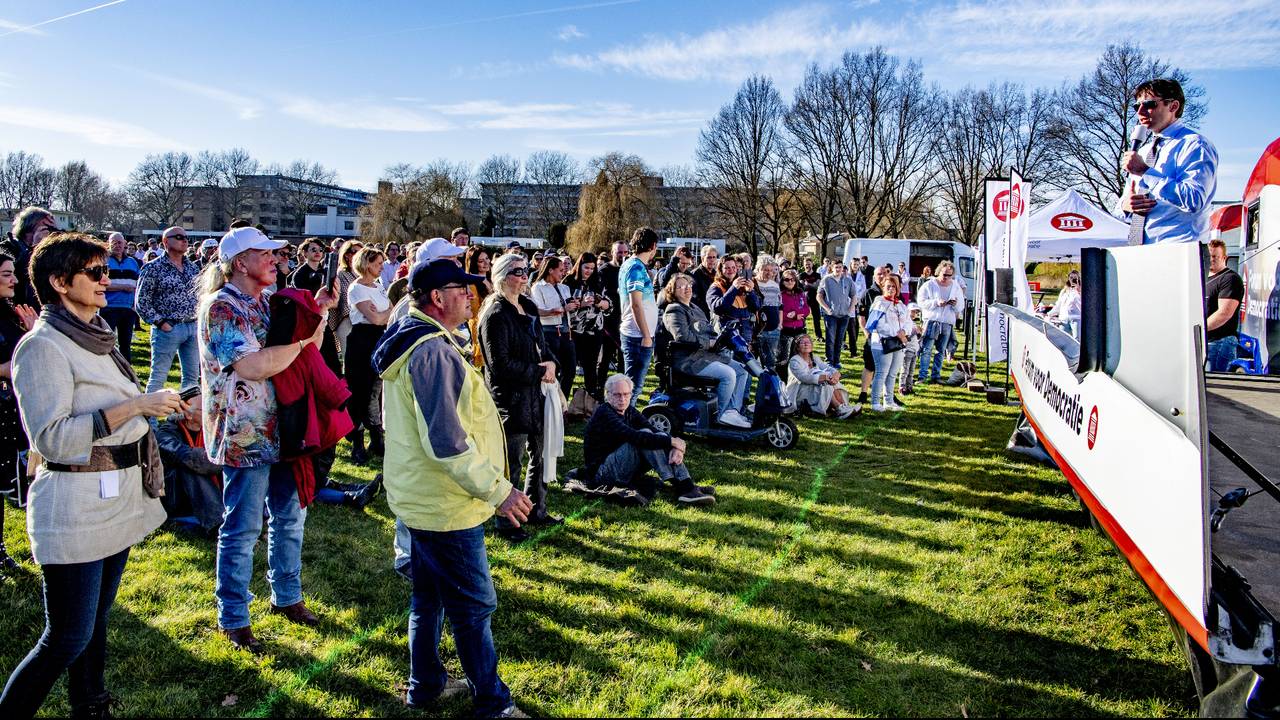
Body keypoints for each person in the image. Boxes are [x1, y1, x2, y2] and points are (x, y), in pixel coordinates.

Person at [3, 232, 183, 716]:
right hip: (75, 502)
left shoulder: (97, 334)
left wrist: (165, 408)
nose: (109, 281)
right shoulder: (42, 347)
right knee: (65, 636)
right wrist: (134, 407)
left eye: (107, 270)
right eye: (96, 273)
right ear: (61, 283)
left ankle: (90, 703)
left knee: (97, 620)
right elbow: (53, 440)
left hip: (117, 494)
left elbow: (116, 408)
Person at [371, 257, 531, 718]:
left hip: (422, 496)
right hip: (443, 504)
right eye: (462, 289)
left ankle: (426, 687)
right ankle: (493, 703)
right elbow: (446, 444)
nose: (470, 296)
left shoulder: (420, 339)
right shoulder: (431, 351)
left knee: (429, 597)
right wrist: (500, 492)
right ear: (437, 298)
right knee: (472, 607)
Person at [198, 226, 333, 653]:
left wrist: (318, 315)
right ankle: (234, 617)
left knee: (290, 518)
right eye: (267, 254)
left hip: (284, 431)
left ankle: (287, 597)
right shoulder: (222, 308)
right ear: (241, 263)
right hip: (244, 434)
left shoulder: (265, 302)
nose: (277, 260)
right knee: (242, 528)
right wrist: (302, 345)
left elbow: (303, 345)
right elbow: (254, 365)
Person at [478, 253, 560, 543]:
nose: (523, 276)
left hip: (537, 394)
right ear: (501, 276)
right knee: (510, 463)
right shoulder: (495, 314)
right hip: (510, 398)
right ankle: (507, 521)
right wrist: (538, 371)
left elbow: (542, 344)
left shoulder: (527, 305)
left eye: (526, 270)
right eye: (516, 271)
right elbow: (498, 365)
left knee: (540, 452)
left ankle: (536, 508)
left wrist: (550, 363)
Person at [582, 374, 714, 505]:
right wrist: (672, 442)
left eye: (626, 394)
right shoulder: (604, 413)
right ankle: (684, 487)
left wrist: (677, 446)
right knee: (645, 436)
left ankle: (685, 485)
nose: (622, 399)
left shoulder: (630, 411)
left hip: (624, 466)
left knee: (659, 436)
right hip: (602, 473)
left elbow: (655, 431)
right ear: (608, 395)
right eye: (617, 394)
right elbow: (634, 436)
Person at [1117, 78, 1219, 245]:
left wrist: (1146, 172)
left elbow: (1194, 200)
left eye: (1149, 104)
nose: (1140, 112)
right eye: (1137, 106)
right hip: (1140, 251)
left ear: (1173, 106)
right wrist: (1126, 206)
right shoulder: (1142, 152)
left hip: (1180, 251)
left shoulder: (1195, 145)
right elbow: (1119, 211)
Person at [661, 274, 751, 428]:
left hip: (707, 356)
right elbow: (683, 337)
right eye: (680, 286)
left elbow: (709, 331)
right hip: (689, 360)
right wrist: (708, 343)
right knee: (728, 374)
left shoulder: (696, 308)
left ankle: (732, 411)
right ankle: (721, 415)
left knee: (742, 370)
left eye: (688, 285)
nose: (686, 288)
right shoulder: (674, 310)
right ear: (672, 291)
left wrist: (720, 338)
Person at [0, 253, 36, 575]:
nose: (14, 280)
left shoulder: (11, 313)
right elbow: (14, 364)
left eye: (13, 274)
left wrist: (30, 333)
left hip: (9, 411)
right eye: (6, 275)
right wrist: (12, 368)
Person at [135, 226, 202, 392]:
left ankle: (186, 416)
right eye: (179, 237)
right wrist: (161, 322)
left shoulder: (193, 268)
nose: (185, 240)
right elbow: (142, 301)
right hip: (168, 328)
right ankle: (150, 417)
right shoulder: (153, 267)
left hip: (192, 327)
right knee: (158, 376)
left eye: (186, 237)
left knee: (192, 378)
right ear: (165, 242)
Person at [345, 246, 392, 465]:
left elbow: (389, 310)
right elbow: (372, 318)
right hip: (362, 340)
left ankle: (376, 436)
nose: (381, 267)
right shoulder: (357, 288)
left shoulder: (379, 286)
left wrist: (382, 314)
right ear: (366, 264)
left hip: (379, 338)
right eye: (377, 263)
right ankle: (357, 442)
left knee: (376, 389)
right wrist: (382, 315)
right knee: (359, 391)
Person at [156, 387, 224, 536]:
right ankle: (219, 525)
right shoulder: (165, 434)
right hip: (176, 498)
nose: (212, 413)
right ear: (187, 413)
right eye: (205, 409)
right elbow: (194, 459)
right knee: (191, 465)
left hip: (202, 495)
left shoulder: (212, 430)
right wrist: (228, 459)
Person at [619, 228, 660, 406]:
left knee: (633, 386)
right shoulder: (635, 267)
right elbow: (636, 303)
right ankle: (623, 425)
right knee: (633, 387)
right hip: (637, 335)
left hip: (638, 333)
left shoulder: (632, 265)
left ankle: (625, 422)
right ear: (653, 246)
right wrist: (645, 335)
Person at [530, 255, 578, 399]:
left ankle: (563, 402)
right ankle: (550, 402)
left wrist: (576, 305)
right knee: (552, 370)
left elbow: (570, 307)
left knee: (570, 370)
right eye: (560, 270)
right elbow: (538, 311)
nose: (563, 272)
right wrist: (561, 309)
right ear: (550, 270)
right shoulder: (538, 287)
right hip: (549, 333)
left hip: (566, 332)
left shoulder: (565, 287)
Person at [565, 252, 610, 401]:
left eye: (592, 268)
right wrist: (581, 304)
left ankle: (591, 402)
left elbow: (609, 304)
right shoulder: (569, 282)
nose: (589, 271)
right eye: (586, 268)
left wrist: (600, 303)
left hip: (594, 331)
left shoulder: (598, 281)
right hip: (574, 331)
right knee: (569, 369)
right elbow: (564, 307)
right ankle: (563, 402)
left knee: (591, 368)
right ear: (579, 266)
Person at [916, 260, 966, 384]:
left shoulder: (955, 286)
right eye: (944, 274)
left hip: (947, 322)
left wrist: (954, 304)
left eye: (949, 275)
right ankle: (922, 376)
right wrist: (935, 302)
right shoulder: (929, 284)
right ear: (939, 272)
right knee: (927, 349)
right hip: (932, 320)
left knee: (941, 351)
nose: (946, 277)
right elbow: (921, 301)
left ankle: (936, 376)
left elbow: (961, 305)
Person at [785, 334, 858, 418]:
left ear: (812, 346)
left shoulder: (814, 358)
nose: (806, 344)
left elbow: (828, 368)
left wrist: (836, 374)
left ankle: (844, 407)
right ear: (797, 347)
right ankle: (839, 409)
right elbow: (804, 378)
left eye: (808, 342)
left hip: (812, 387)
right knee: (826, 384)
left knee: (834, 383)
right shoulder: (794, 361)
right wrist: (824, 378)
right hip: (799, 391)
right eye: (802, 343)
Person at [867, 274, 911, 412]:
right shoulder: (879, 303)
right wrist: (896, 334)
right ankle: (875, 402)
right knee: (882, 372)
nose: (891, 289)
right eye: (888, 287)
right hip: (882, 343)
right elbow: (877, 325)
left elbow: (908, 322)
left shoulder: (900, 305)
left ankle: (889, 401)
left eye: (894, 287)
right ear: (883, 287)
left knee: (893, 373)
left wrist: (904, 332)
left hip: (898, 343)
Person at [1, 207, 56, 307]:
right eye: (45, 228)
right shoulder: (5, 249)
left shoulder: (48, 253)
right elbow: (17, 277)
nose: (49, 233)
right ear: (28, 229)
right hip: (16, 309)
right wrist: (35, 247)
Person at [101, 232, 141, 363]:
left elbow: (137, 284)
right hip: (109, 307)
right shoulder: (104, 262)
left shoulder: (132, 262)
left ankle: (126, 372)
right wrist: (122, 287)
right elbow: (100, 284)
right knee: (107, 342)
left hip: (127, 308)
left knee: (125, 344)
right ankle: (107, 369)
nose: (117, 245)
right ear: (108, 243)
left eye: (120, 242)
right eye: (114, 242)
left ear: (124, 244)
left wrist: (135, 305)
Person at [1205, 239, 1244, 372]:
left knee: (1215, 385)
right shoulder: (1204, 279)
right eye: (1208, 256)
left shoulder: (1229, 279)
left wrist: (1199, 330)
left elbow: (1224, 313)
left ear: (1224, 258)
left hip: (1219, 343)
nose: (1211, 259)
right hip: (1206, 342)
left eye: (1215, 256)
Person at [707, 255, 759, 346]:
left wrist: (751, 292)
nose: (731, 270)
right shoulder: (716, 287)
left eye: (733, 267)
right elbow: (718, 308)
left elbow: (756, 307)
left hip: (745, 333)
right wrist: (734, 288)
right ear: (720, 270)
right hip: (726, 335)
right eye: (727, 268)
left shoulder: (743, 285)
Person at [854, 265, 887, 406]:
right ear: (874, 276)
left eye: (884, 273)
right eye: (879, 274)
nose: (882, 276)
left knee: (886, 367)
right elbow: (861, 317)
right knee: (870, 366)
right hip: (873, 336)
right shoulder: (868, 293)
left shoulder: (891, 293)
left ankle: (886, 395)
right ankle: (863, 393)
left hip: (888, 337)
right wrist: (867, 334)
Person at [329, 239, 364, 367]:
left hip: (362, 322)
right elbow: (344, 298)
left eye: (362, 252)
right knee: (348, 358)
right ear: (346, 255)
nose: (358, 255)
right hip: (345, 320)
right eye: (354, 251)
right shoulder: (341, 274)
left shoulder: (364, 274)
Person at [816, 261, 855, 368]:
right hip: (831, 315)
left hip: (844, 315)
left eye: (840, 267)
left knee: (840, 339)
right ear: (832, 268)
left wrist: (850, 310)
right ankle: (829, 360)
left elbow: (854, 296)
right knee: (830, 338)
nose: (838, 269)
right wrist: (827, 309)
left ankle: (836, 361)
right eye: (836, 267)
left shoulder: (847, 280)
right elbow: (819, 296)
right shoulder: (826, 280)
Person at [464, 245, 494, 367]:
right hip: (480, 328)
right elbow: (475, 312)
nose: (486, 263)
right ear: (474, 264)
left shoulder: (493, 279)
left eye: (487, 258)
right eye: (481, 261)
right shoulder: (472, 284)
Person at [779, 268, 810, 374]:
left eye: (792, 279)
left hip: (800, 329)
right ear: (782, 281)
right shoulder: (780, 295)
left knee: (801, 356)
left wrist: (796, 314)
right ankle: (784, 381)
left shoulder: (800, 293)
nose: (790, 282)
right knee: (785, 358)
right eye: (787, 279)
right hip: (786, 330)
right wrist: (792, 317)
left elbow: (806, 309)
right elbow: (782, 313)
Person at [754, 257, 782, 368]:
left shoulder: (775, 285)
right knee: (752, 365)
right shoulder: (752, 284)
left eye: (771, 270)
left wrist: (779, 324)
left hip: (774, 331)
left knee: (770, 365)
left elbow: (779, 305)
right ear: (758, 269)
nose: (769, 273)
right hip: (757, 332)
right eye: (765, 270)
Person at [899, 304, 923, 396]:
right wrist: (914, 332)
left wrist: (920, 333)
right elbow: (905, 337)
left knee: (911, 371)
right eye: (912, 311)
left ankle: (909, 387)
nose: (914, 314)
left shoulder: (913, 323)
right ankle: (902, 387)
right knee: (905, 369)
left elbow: (917, 339)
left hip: (914, 350)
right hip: (907, 350)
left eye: (916, 312)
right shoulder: (904, 322)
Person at [1052, 270, 1083, 340]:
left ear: (1078, 278)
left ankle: (1077, 351)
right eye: (1071, 277)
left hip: (1076, 319)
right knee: (1062, 339)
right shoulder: (1064, 291)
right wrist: (1049, 313)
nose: (1073, 279)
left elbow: (1085, 304)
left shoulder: (1082, 290)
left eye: (1075, 278)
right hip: (1063, 319)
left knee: (1076, 339)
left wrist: (1078, 290)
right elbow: (1058, 305)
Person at [690, 245, 719, 316]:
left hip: (715, 313)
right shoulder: (694, 274)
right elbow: (694, 299)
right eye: (709, 257)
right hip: (701, 314)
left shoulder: (717, 275)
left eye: (714, 257)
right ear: (702, 258)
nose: (712, 260)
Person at [799, 258, 822, 337]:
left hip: (815, 299)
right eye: (806, 264)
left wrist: (808, 284)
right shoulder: (802, 275)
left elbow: (817, 286)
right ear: (803, 265)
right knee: (803, 317)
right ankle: (802, 334)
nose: (807, 266)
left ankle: (819, 336)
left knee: (816, 318)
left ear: (812, 264)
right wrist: (812, 284)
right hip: (805, 299)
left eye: (809, 264)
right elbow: (803, 287)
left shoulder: (817, 275)